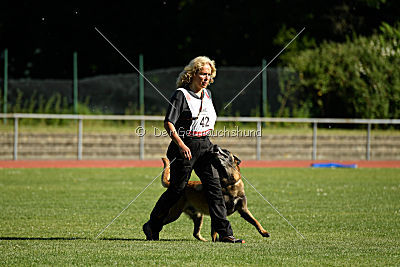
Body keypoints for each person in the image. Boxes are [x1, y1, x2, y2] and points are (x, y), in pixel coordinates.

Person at [143, 56, 244, 243]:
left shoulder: (208, 95)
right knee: (176, 191)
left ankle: (225, 234)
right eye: (202, 74)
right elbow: (168, 123)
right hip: (184, 146)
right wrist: (181, 145)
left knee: (214, 188)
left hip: (204, 145)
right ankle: (152, 225)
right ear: (192, 74)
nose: (206, 78)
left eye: (209, 75)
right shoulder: (181, 94)